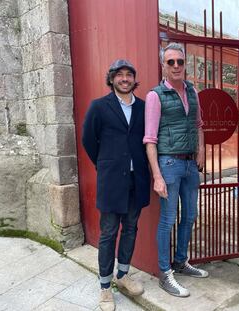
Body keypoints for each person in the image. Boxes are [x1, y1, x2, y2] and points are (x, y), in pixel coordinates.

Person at [82, 59, 150, 310]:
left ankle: (122, 276)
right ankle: (105, 287)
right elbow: (89, 140)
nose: (124, 78)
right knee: (109, 233)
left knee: (131, 229)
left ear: (134, 79)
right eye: (119, 75)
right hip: (111, 182)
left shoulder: (144, 107)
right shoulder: (99, 107)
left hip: (137, 180)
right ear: (111, 79)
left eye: (128, 74)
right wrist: (106, 164)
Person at [144, 42, 208, 298]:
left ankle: (181, 261)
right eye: (170, 62)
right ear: (163, 66)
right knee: (168, 219)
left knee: (190, 215)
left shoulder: (193, 92)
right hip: (169, 164)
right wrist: (157, 175)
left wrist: (201, 150)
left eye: (180, 61)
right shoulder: (155, 96)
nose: (176, 66)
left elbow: (199, 124)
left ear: (185, 64)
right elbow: (150, 139)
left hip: (191, 164)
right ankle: (164, 272)